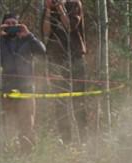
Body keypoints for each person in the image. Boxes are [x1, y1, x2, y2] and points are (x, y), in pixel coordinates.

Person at [0, 13, 46, 151]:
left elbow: (42, 50)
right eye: (7, 24)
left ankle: (28, 150)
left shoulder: (26, 39)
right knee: (7, 120)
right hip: (7, 86)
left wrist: (29, 35)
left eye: (13, 24)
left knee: (27, 120)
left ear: (18, 25)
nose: (11, 27)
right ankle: (7, 150)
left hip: (26, 85)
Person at [41, 0, 87, 142]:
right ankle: (66, 140)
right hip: (56, 60)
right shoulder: (49, 7)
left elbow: (69, 27)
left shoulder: (74, 4)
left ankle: (84, 139)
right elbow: (45, 33)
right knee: (60, 102)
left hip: (75, 58)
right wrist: (49, 10)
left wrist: (60, 7)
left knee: (78, 100)